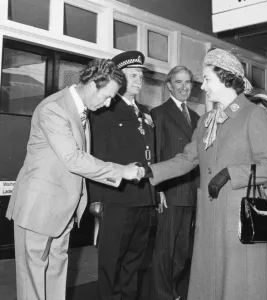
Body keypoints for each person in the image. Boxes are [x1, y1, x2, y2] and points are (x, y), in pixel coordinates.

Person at [143, 48, 267, 300]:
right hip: (209, 219)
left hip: (241, 219)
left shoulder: (253, 114)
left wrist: (230, 173)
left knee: (240, 285)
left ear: (226, 78)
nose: (202, 85)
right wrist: (148, 171)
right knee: (211, 281)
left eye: (207, 79)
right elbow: (187, 158)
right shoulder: (206, 120)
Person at [5, 58, 143, 300]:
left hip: (64, 208)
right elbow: (73, 158)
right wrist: (121, 171)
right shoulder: (54, 108)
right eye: (107, 96)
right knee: (33, 277)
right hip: (38, 207)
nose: (109, 103)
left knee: (56, 270)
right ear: (92, 85)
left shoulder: (81, 111)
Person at [88, 51, 156, 300]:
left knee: (134, 261)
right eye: (133, 75)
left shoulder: (145, 113)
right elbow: (95, 154)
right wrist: (96, 198)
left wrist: (154, 193)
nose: (139, 80)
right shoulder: (104, 109)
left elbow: (150, 156)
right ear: (119, 78)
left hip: (143, 198)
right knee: (111, 261)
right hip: (115, 197)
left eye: (141, 75)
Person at [150, 66, 200, 300]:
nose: (184, 87)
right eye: (178, 82)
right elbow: (155, 154)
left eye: (188, 82)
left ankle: (171, 289)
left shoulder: (198, 118)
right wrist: (157, 189)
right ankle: (163, 295)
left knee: (182, 251)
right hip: (170, 191)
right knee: (165, 250)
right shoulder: (158, 113)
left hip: (192, 192)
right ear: (169, 85)